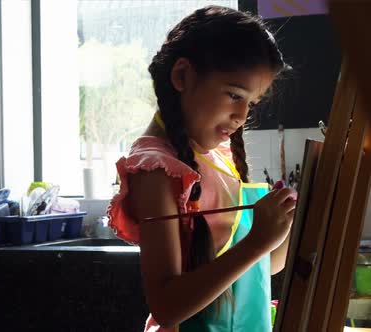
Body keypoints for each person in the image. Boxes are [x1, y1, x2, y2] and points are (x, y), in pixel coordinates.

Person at [107, 6, 296, 331]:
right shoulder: (156, 168)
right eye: (234, 94)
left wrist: (282, 226)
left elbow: (268, 266)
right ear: (182, 76)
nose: (241, 115)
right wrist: (257, 242)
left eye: (251, 102)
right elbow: (167, 307)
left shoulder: (218, 157)